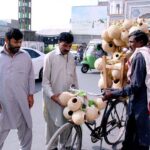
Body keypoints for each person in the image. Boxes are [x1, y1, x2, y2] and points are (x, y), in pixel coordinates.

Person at [103, 30, 150, 150]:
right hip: (141, 100)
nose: (129, 44)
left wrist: (113, 93)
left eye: (131, 42)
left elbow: (135, 86)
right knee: (132, 131)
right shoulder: (146, 53)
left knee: (139, 136)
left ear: (140, 42)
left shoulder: (140, 57)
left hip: (141, 102)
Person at [42, 32, 78, 150]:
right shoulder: (50, 57)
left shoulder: (71, 57)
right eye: (65, 46)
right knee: (52, 126)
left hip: (69, 100)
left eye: (69, 46)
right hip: (53, 99)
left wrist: (77, 94)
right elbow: (45, 82)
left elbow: (74, 78)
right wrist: (53, 96)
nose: (67, 49)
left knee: (68, 124)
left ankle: (66, 146)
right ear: (58, 43)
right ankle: (52, 147)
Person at [0, 28, 35, 150]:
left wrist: (31, 94)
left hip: (21, 103)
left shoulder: (25, 57)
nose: (18, 45)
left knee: (26, 134)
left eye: (20, 42)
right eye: (15, 42)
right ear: (6, 40)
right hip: (3, 104)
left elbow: (30, 76)